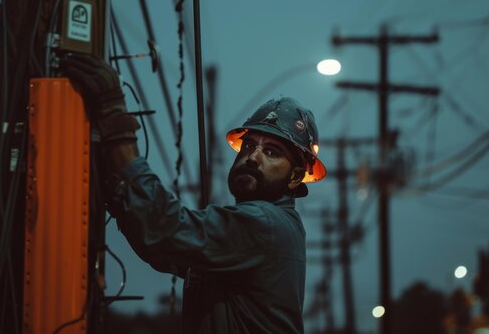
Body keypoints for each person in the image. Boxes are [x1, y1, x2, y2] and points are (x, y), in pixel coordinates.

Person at [61, 54, 327, 334]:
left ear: (295, 176)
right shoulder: (253, 236)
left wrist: (113, 115)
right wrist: (118, 192)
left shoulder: (265, 223)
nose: (252, 158)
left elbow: (167, 228)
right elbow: (165, 248)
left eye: (272, 153)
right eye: (249, 146)